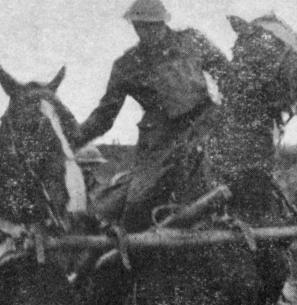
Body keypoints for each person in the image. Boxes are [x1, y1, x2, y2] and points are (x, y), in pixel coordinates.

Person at [73, 0, 229, 230]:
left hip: (206, 122)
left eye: (151, 25)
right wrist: (69, 139)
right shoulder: (126, 65)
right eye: (139, 26)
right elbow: (104, 117)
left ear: (163, 22)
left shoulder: (191, 40)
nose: (145, 31)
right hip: (159, 143)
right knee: (137, 201)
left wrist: (230, 108)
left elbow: (226, 72)